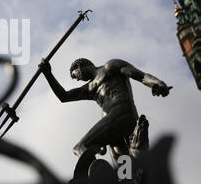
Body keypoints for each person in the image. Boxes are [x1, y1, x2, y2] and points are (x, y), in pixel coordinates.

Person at [39, 58, 171, 162]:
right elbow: (64, 96)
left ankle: (93, 175)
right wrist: (48, 74)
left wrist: (157, 83)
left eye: (76, 75)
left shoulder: (111, 66)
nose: (78, 79)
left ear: (79, 66)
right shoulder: (89, 88)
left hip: (122, 112)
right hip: (113, 128)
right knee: (124, 172)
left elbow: (140, 75)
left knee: (80, 147)